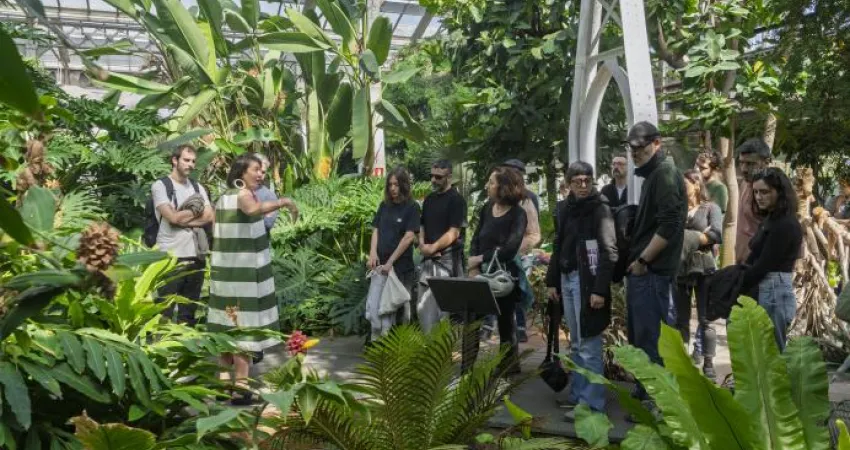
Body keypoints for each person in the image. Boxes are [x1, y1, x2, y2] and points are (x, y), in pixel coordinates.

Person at [209, 153, 298, 405]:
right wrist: (283, 202)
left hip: (225, 275)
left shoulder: (223, 197)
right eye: (255, 170)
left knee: (225, 332)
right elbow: (252, 209)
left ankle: (222, 386)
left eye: (261, 170)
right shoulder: (242, 194)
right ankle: (242, 389)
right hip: (242, 276)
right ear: (241, 173)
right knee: (243, 333)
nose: (260, 174)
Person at [546, 161, 617, 420]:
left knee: (589, 343)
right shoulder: (565, 208)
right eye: (578, 181)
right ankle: (578, 395)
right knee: (576, 343)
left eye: (587, 180)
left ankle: (592, 403)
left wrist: (599, 290)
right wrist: (552, 281)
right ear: (569, 183)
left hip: (588, 282)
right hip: (568, 278)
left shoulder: (600, 209)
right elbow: (559, 243)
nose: (583, 185)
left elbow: (609, 252)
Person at [623, 122, 687, 389]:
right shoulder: (655, 175)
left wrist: (643, 261)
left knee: (653, 342)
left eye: (640, 147)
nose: (635, 152)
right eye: (631, 147)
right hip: (648, 274)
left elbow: (670, 224)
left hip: (653, 274)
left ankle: (656, 404)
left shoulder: (665, 173)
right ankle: (646, 396)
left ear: (657, 143)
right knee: (642, 340)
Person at [468, 166, 528, 375]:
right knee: (472, 322)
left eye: (492, 182)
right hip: (480, 274)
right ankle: (466, 369)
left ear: (503, 187)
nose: (488, 186)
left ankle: (508, 369)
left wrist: (480, 257)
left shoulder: (519, 214)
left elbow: (510, 248)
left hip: (504, 277)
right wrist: (473, 265)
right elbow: (476, 238)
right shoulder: (487, 208)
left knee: (505, 324)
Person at [740, 168, 802, 351]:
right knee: (764, 352)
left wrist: (737, 281)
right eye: (756, 192)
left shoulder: (785, 224)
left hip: (774, 289)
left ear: (780, 192)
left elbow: (764, 264)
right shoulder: (772, 219)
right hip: (768, 287)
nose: (759, 197)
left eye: (765, 192)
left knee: (774, 354)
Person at [152, 145, 214, 325]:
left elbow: (209, 216)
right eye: (186, 160)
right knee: (164, 307)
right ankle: (161, 350)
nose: (191, 164)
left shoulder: (198, 187)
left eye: (193, 161)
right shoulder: (161, 186)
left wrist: (181, 219)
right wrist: (191, 215)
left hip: (196, 254)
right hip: (171, 255)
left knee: (189, 309)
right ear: (174, 160)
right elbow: (171, 217)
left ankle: (185, 349)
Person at [674, 170, 722, 379]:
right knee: (680, 320)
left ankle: (709, 364)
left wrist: (687, 237)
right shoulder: (677, 210)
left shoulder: (711, 208)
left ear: (696, 184)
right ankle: (682, 363)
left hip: (705, 269)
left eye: (685, 184)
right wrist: (700, 236)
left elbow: (716, 234)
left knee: (706, 319)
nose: (683, 189)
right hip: (680, 269)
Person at [366, 167, 420, 339]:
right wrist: (372, 253)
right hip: (381, 268)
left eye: (396, 184)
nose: (393, 188)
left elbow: (409, 236)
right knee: (377, 311)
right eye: (390, 184)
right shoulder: (384, 205)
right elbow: (376, 229)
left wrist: (391, 262)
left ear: (404, 185)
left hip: (401, 269)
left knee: (401, 313)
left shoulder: (412, 207)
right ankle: (380, 350)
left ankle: (401, 353)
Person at [491, 159, 541, 343]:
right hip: (494, 259)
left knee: (518, 292)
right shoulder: (494, 200)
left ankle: (520, 328)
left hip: (519, 256)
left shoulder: (528, 198)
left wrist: (513, 249)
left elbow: (534, 233)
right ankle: (491, 327)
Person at [418, 160, 467, 331]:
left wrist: (433, 248)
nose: (433, 180)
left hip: (447, 263)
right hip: (427, 262)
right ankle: (429, 352)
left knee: (444, 316)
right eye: (431, 176)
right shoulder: (429, 200)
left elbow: (454, 232)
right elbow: (422, 224)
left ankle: (443, 355)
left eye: (438, 177)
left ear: (449, 177)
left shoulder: (456, 200)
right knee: (423, 312)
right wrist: (423, 245)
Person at [735, 139, 772, 264]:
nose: (744, 169)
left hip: (760, 267)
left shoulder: (773, 191)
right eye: (741, 163)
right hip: (743, 264)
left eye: (750, 164)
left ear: (766, 163)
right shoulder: (745, 183)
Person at [695, 151, 729, 215]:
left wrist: (701, 184)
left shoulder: (720, 188)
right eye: (697, 165)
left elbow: (717, 217)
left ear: (714, 169)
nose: (697, 170)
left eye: (703, 168)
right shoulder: (693, 183)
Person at [254, 154, 280, 233]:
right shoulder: (236, 191)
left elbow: (268, 223)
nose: (259, 175)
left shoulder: (269, 196)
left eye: (263, 172)